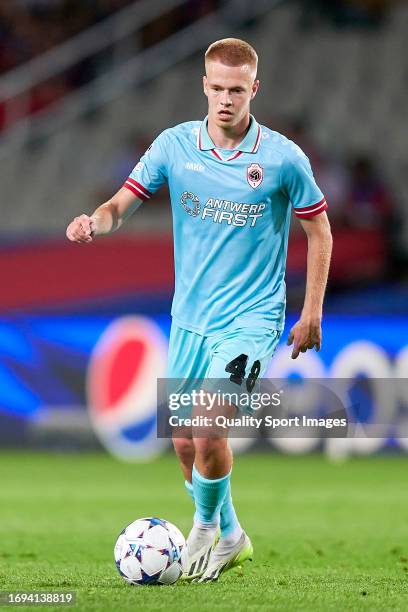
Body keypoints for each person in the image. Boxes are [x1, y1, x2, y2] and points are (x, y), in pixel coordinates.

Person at [66, 38, 333, 583]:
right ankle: (232, 535)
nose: (226, 99)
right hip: (188, 318)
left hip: (252, 319)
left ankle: (205, 531)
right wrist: (95, 221)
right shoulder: (173, 146)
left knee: (209, 426)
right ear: (204, 86)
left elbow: (318, 230)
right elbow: (121, 203)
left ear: (254, 90)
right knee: (185, 442)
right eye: (217, 88)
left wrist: (312, 312)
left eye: (237, 90)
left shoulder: (282, 158)